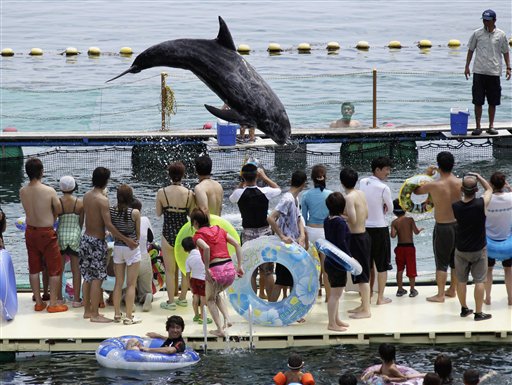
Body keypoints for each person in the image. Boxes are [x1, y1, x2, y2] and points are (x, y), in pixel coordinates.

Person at [80, 167, 137, 323]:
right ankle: (95, 314)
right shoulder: (102, 200)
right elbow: (109, 225)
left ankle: (87, 311)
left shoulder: (86, 196)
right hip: (97, 242)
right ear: (106, 181)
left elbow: (87, 219)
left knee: (88, 277)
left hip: (85, 239)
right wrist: (127, 239)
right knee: (97, 278)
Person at [19, 158, 67, 313]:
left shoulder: (22, 191)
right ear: (41, 172)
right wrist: (52, 216)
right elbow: (58, 209)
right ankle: (53, 303)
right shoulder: (49, 191)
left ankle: (39, 302)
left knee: (33, 268)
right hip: (46, 233)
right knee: (54, 269)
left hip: (30, 232)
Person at [229, 162, 280, 299]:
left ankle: (254, 302)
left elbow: (232, 197)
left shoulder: (239, 193)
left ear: (244, 178)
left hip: (247, 235)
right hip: (265, 234)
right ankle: (271, 300)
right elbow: (278, 189)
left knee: (251, 271)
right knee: (268, 271)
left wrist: (242, 182)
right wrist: (264, 177)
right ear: (256, 176)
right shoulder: (265, 191)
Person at [414, 151, 460, 302]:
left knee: (441, 262)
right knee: (455, 260)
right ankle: (452, 289)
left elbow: (415, 189)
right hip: (458, 225)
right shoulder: (460, 182)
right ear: (453, 165)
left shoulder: (433, 185)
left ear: (438, 167)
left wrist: (426, 175)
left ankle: (440, 294)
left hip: (443, 226)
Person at [191, 208, 244, 337]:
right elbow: (237, 244)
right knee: (217, 294)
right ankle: (228, 319)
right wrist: (240, 266)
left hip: (216, 271)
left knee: (209, 300)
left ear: (196, 223)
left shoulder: (197, 236)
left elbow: (207, 248)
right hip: (230, 270)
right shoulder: (220, 229)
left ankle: (220, 329)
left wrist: (207, 269)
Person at [452, 172, 493, 321]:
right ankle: (478, 313)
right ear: (476, 190)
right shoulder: (481, 204)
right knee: (479, 281)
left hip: (461, 249)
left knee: (461, 281)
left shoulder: (455, 206)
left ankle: (464, 309)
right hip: (478, 249)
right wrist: (479, 176)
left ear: (462, 189)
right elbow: (489, 190)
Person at [464, 9, 511, 136]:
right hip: (479, 71)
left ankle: (491, 126)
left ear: (494, 20)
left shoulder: (501, 35)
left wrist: (508, 67)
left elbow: (506, 52)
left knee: (493, 101)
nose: (486, 22)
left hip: (494, 72)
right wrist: (467, 66)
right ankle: (478, 126)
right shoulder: (477, 33)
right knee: (477, 100)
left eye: (488, 20)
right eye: (484, 20)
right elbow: (470, 50)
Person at [156, 161, 194, 311]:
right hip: (184, 233)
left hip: (168, 233)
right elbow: (191, 215)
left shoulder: (162, 192)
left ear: (169, 175)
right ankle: (183, 299)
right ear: (183, 175)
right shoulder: (190, 193)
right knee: (185, 269)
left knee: (170, 271)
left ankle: (171, 301)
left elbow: (158, 213)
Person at [267, 170, 307, 303]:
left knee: (293, 280)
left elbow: (299, 217)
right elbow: (271, 218)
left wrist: (301, 235)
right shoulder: (287, 199)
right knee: (281, 281)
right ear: (304, 185)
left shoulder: (295, 198)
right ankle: (271, 308)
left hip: (294, 245)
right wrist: (282, 236)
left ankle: (292, 310)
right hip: (286, 246)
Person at [359, 156, 393, 305]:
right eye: (386, 169)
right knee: (382, 265)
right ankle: (380, 298)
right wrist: (383, 208)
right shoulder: (384, 188)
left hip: (365, 228)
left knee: (367, 264)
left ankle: (368, 295)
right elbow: (390, 208)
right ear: (377, 170)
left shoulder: (362, 182)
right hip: (380, 228)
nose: (388, 173)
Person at [339, 167, 371, 319]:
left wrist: (339, 216)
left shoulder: (349, 198)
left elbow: (351, 219)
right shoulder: (361, 193)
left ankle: (367, 310)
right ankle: (363, 305)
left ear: (342, 182)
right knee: (360, 273)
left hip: (357, 238)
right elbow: (366, 214)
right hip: (364, 235)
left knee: (362, 275)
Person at [111, 184, 141, 325]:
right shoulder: (134, 213)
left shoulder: (111, 211)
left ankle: (117, 314)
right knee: (131, 284)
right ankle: (129, 316)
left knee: (118, 283)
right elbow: (138, 234)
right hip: (132, 249)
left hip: (117, 248)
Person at [301, 164, 333, 299]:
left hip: (311, 230)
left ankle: (316, 292)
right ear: (325, 177)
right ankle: (328, 296)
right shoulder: (331, 194)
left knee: (314, 266)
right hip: (325, 231)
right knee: (326, 267)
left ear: (312, 179)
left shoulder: (306, 195)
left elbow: (302, 216)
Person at [323, 192, 351, 332]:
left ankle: (336, 319)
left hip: (330, 259)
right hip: (338, 261)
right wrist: (350, 258)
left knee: (336, 292)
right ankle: (331, 324)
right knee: (335, 294)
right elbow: (342, 242)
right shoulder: (339, 222)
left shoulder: (327, 219)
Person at [484, 171, 512, 306]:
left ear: (491, 184)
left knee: (488, 270)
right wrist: (509, 187)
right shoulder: (510, 197)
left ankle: (488, 298)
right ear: (503, 183)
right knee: (508, 270)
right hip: (508, 245)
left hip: (490, 246)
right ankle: (510, 299)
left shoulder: (486, 199)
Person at [56, 175, 84, 308]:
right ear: (74, 187)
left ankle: (59, 298)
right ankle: (77, 299)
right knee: (76, 270)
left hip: (61, 235)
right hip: (74, 235)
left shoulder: (57, 202)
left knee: (59, 269)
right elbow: (81, 223)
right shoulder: (79, 202)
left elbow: (54, 220)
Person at [390, 198, 423, 298]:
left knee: (400, 269)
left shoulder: (394, 222)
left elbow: (393, 235)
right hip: (409, 248)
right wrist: (420, 229)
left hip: (400, 248)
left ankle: (400, 289)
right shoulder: (410, 220)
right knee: (411, 269)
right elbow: (416, 232)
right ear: (405, 209)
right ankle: (412, 290)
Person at [131, 198, 154, 312]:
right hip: (144, 257)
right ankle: (146, 296)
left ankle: (129, 300)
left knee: (128, 288)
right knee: (146, 290)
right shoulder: (145, 219)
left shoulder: (124, 220)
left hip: (130, 259)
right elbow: (151, 238)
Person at [182, 236, 211, 324]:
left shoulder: (188, 259)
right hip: (203, 280)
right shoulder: (201, 254)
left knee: (195, 298)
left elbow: (187, 274)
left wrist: (189, 285)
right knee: (203, 300)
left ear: (185, 250)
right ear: (196, 245)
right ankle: (203, 317)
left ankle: (196, 315)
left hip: (193, 280)